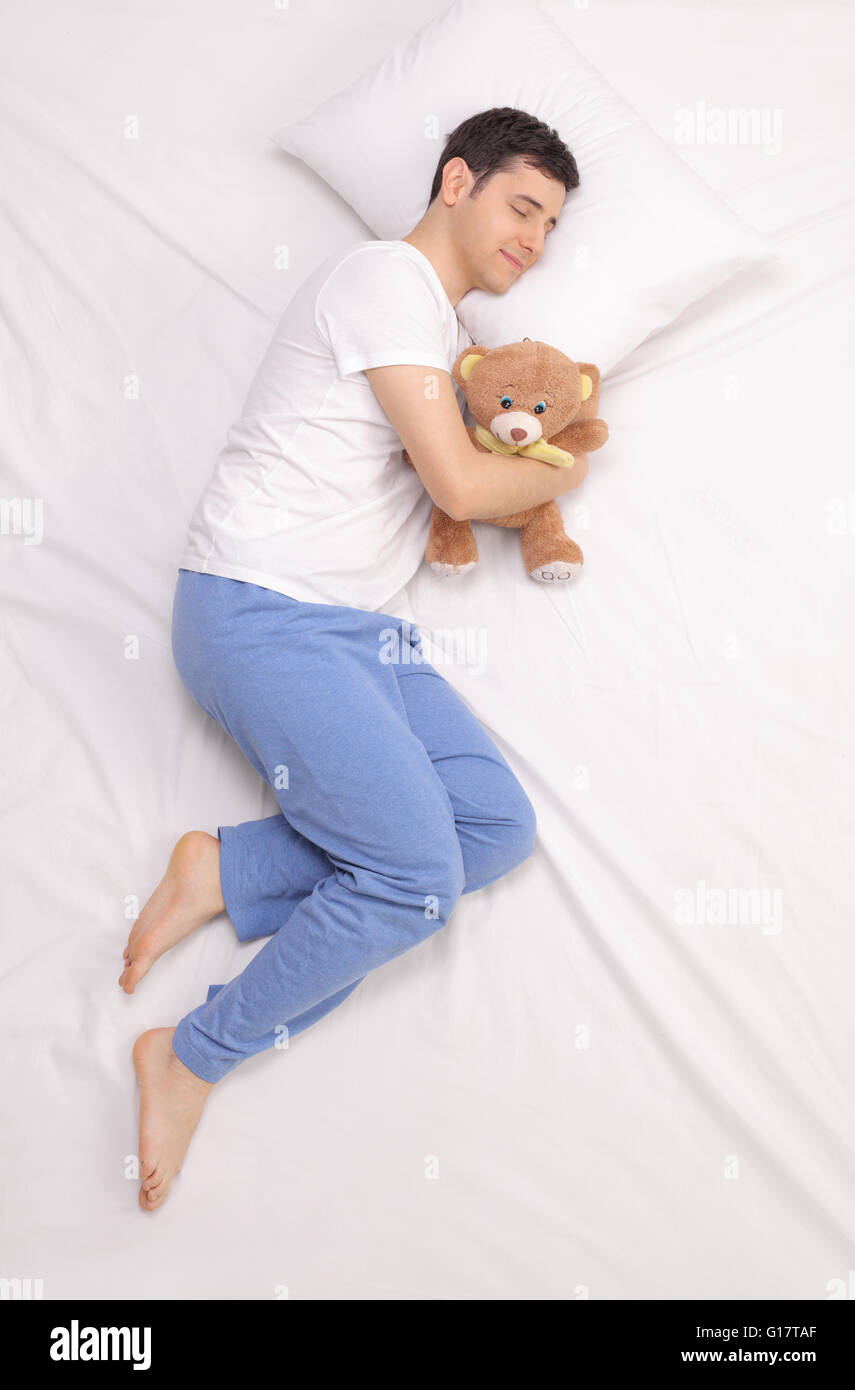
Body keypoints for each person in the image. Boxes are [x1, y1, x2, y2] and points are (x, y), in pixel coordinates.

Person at [121, 107, 584, 1213]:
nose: (534, 238)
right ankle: (190, 1053)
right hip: (257, 608)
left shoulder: (446, 339)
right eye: (522, 205)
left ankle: (227, 869)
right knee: (415, 878)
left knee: (493, 826)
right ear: (454, 181)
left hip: (357, 631)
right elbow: (464, 490)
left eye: (553, 226)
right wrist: (557, 477)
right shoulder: (384, 280)